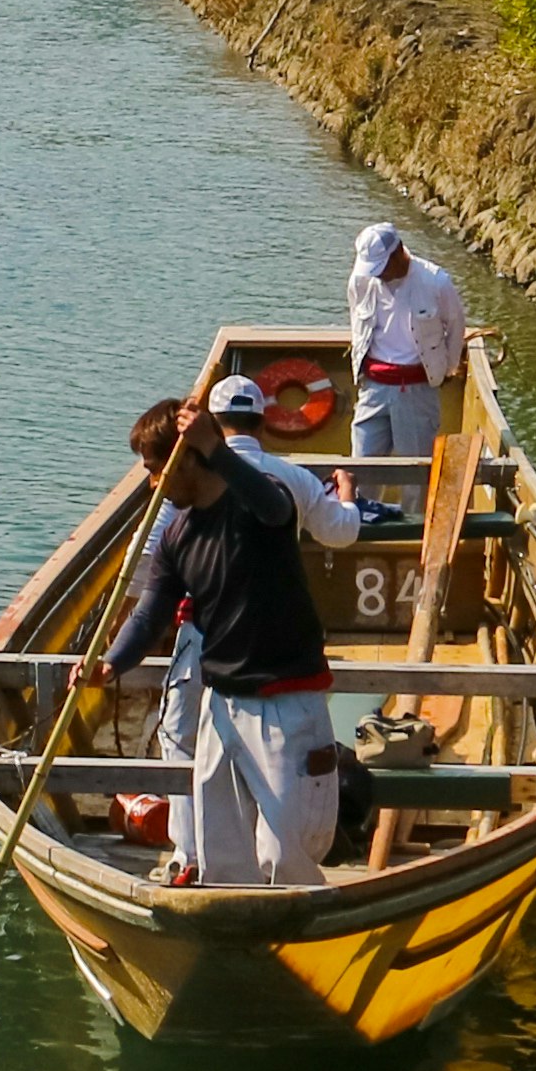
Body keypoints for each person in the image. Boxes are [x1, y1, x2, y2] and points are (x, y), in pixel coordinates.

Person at [104, 378, 361, 888]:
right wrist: (112, 662)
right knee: (222, 853)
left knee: (286, 853)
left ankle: (293, 938)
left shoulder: (261, 504)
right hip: (221, 706)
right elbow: (151, 610)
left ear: (188, 459)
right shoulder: (177, 533)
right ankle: (227, 933)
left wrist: (213, 448)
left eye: (156, 471)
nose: (152, 484)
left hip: (287, 701)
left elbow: (273, 508)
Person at [346, 220, 473, 465]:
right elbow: (357, 323)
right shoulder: (361, 280)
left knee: (415, 470)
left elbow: (456, 327)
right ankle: (363, 505)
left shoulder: (436, 282)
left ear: (398, 253)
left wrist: (448, 368)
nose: (377, 274)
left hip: (417, 390)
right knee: (361, 468)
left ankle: (413, 506)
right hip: (373, 387)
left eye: (381, 267)